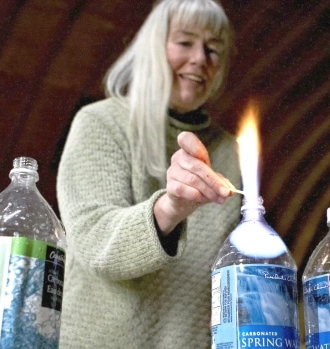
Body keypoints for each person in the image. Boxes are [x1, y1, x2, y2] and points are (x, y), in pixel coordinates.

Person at [56, 0, 241, 347]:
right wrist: (169, 209)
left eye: (213, 49)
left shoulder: (232, 152)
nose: (201, 58)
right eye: (185, 42)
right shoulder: (102, 122)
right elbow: (95, 241)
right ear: (153, 46)